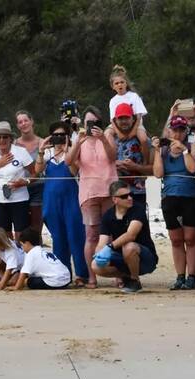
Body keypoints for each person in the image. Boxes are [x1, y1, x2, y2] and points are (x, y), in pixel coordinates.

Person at [66, 105, 118, 289]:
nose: (92, 126)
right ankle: (91, 277)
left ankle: (117, 275)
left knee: (113, 234)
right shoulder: (78, 139)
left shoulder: (108, 136)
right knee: (91, 235)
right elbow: (69, 162)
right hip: (89, 193)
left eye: (96, 122)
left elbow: (113, 157)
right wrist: (79, 142)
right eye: (89, 122)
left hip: (110, 191)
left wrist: (102, 137)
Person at [35, 121, 88, 284]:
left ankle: (82, 274)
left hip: (70, 199)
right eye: (55, 135)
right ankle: (63, 274)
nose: (59, 138)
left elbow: (73, 171)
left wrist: (67, 152)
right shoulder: (48, 153)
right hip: (51, 201)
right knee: (58, 239)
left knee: (76, 236)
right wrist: (41, 151)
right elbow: (37, 171)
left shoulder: (72, 152)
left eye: (62, 135)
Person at [153, 115, 195, 290]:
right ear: (170, 131)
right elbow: (158, 173)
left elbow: (192, 168)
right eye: (175, 130)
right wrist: (157, 151)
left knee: (191, 238)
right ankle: (180, 275)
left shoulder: (191, 146)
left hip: (189, 195)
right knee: (175, 239)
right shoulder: (164, 150)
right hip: (170, 196)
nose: (178, 133)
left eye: (181, 130)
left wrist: (185, 150)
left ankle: (192, 275)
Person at [92, 180, 159, 293]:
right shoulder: (108, 215)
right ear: (114, 200)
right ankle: (126, 276)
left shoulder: (138, 209)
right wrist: (99, 254)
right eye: (124, 196)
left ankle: (135, 281)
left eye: (130, 194)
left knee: (129, 246)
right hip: (121, 256)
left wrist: (109, 247)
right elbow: (102, 241)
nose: (129, 198)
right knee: (95, 265)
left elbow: (130, 235)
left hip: (145, 259)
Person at [0, 121, 35, 238]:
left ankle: (23, 256)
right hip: (0, 200)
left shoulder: (21, 152)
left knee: (21, 235)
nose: (2, 140)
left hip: (19, 199)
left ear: (10, 138)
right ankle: (9, 257)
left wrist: (25, 182)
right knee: (4, 236)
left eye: (5, 137)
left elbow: (35, 174)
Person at [105, 103, 151, 208]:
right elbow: (100, 165)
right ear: (115, 121)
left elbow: (152, 170)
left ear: (133, 119)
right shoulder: (109, 140)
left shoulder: (144, 140)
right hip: (115, 194)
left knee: (138, 223)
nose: (124, 121)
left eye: (127, 117)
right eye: (120, 118)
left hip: (138, 193)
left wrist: (135, 167)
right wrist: (114, 164)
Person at [14, 110, 45, 231]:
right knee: (22, 227)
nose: (23, 124)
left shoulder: (42, 143)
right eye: (20, 122)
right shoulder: (14, 145)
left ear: (31, 121)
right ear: (17, 126)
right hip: (21, 188)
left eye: (26, 120)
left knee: (37, 226)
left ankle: (37, 248)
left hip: (39, 187)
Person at [108, 65, 148, 129]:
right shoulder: (113, 100)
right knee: (108, 133)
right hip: (119, 126)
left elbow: (139, 116)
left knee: (142, 138)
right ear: (113, 86)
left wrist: (133, 131)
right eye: (117, 83)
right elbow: (113, 119)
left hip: (135, 125)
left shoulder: (134, 96)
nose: (120, 85)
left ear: (126, 83)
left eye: (122, 82)